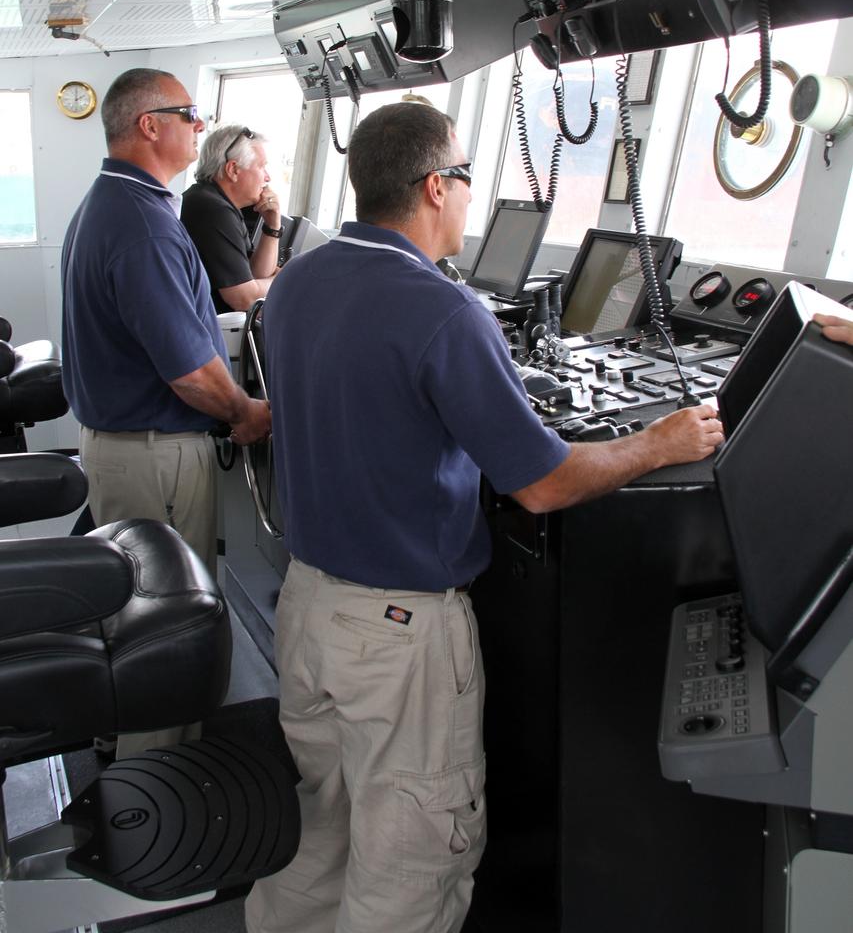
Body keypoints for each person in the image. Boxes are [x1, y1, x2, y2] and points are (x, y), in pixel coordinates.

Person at [245, 102, 723, 933]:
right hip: (397, 637)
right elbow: (542, 484)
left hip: (309, 609)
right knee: (409, 869)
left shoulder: (297, 283)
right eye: (466, 178)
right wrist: (658, 442)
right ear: (436, 185)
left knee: (326, 836)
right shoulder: (442, 312)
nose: (469, 197)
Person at [61, 67, 270, 578]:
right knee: (172, 615)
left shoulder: (112, 201)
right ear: (150, 126)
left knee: (141, 608)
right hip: (153, 457)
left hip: (129, 447)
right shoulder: (143, 227)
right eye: (190, 115)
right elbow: (190, 373)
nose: (200, 128)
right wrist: (244, 411)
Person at [181, 123, 285, 312]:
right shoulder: (212, 210)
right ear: (233, 170)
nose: (267, 177)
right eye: (261, 167)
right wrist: (283, 277)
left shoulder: (215, 201)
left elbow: (256, 275)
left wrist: (272, 227)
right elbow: (244, 299)